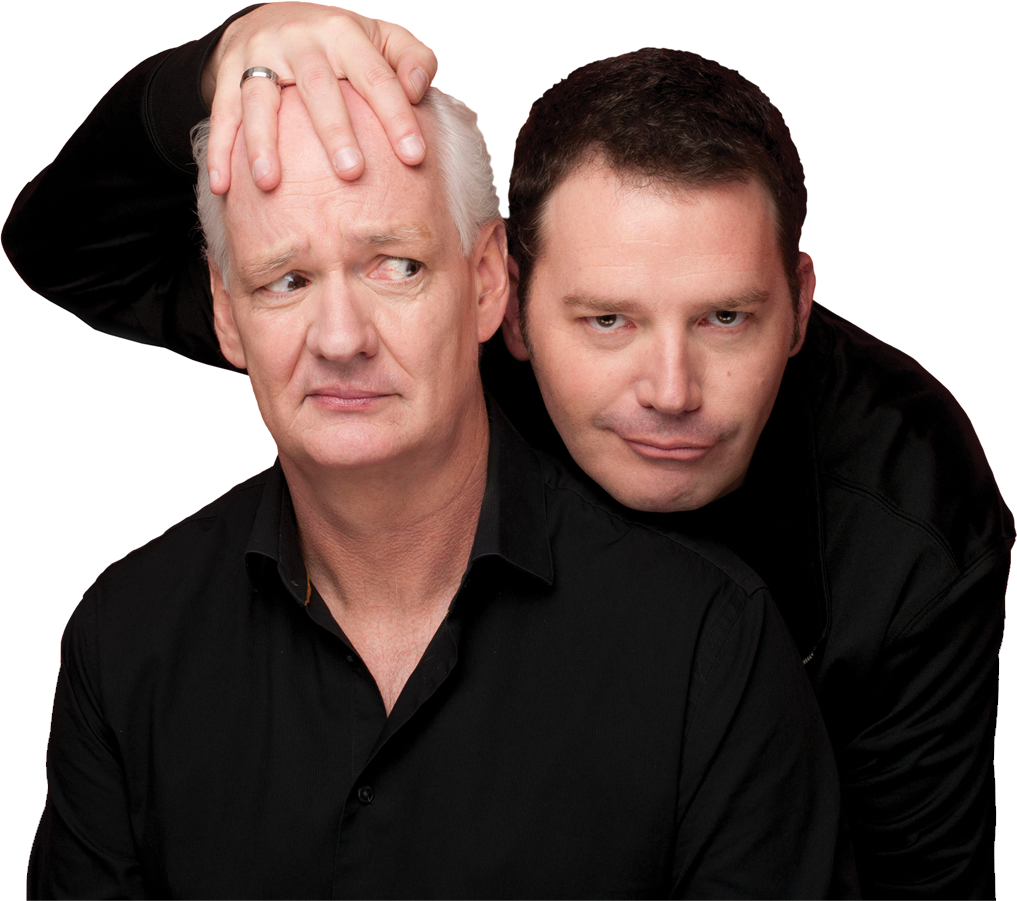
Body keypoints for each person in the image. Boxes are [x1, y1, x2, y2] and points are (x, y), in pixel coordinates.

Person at [3, 3, 1011, 896]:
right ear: (507, 299)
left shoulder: (909, 500)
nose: (670, 391)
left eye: (725, 318)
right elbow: (81, 250)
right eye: (606, 320)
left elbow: (915, 872)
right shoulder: (410, 340)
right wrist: (227, 60)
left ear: (797, 307)